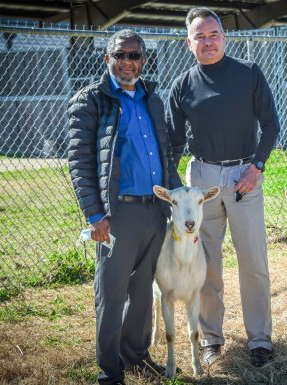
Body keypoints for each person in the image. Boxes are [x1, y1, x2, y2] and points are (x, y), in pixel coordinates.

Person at [167, 7, 280, 367]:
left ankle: (259, 339)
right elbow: (173, 143)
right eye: (199, 36)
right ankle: (211, 340)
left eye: (213, 34)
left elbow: (272, 124)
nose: (208, 41)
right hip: (202, 181)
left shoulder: (249, 73)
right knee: (206, 262)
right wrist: (176, 188)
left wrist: (256, 167)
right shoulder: (182, 86)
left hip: (244, 176)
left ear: (224, 37)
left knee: (253, 262)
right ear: (189, 43)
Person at [67, 29, 182, 385]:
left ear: (144, 60)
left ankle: (136, 356)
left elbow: (166, 153)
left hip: (155, 211)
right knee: (112, 292)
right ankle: (110, 371)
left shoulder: (152, 98)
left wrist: (177, 200)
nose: (127, 62)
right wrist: (95, 216)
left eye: (134, 55)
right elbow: (80, 162)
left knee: (143, 290)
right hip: (117, 214)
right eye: (120, 55)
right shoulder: (91, 100)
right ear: (107, 58)